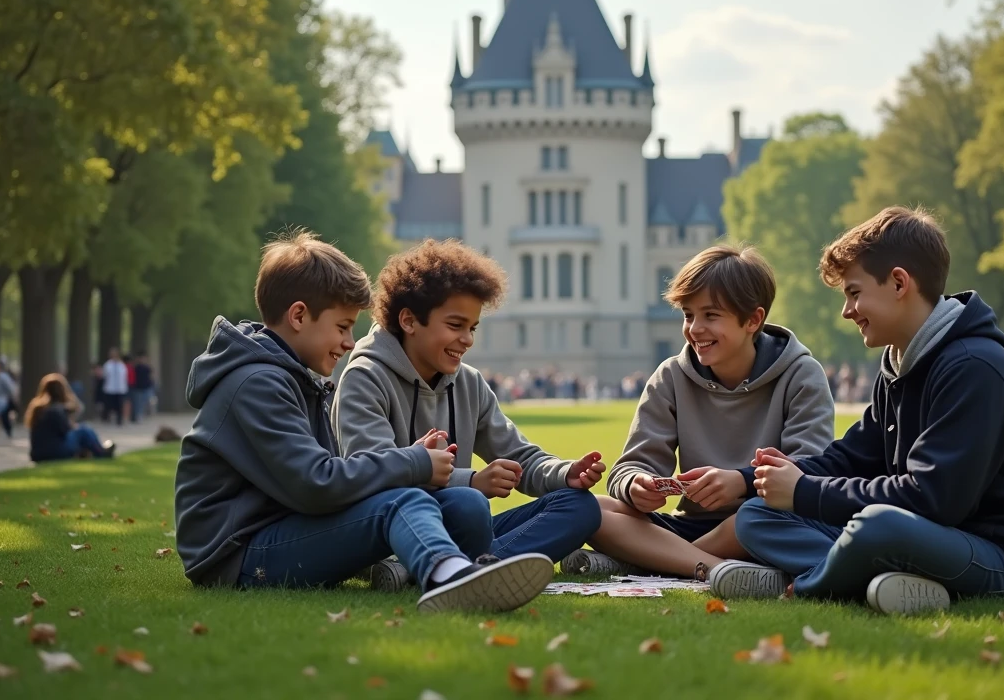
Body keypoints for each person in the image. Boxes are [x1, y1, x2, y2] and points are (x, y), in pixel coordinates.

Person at [712, 207, 1004, 614]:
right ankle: (885, 583)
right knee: (757, 516)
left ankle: (800, 585)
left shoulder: (974, 366)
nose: (847, 311)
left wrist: (804, 492)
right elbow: (852, 458)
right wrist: (756, 480)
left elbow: (932, 498)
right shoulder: (900, 364)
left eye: (854, 293)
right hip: (934, 537)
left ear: (899, 283)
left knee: (878, 526)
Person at [173, 230, 554, 613]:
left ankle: (458, 569)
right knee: (401, 501)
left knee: (465, 505)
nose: (350, 342)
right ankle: (452, 576)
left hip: (284, 530)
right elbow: (317, 482)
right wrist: (413, 462)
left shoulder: (293, 378)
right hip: (236, 555)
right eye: (342, 327)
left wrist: (413, 464)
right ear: (299, 316)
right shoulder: (257, 383)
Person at [332, 239, 604, 592]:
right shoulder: (365, 377)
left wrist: (566, 472)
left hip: (464, 527)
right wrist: (470, 481)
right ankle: (451, 568)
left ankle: (468, 572)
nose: (467, 340)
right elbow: (370, 475)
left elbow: (520, 456)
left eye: (472, 328)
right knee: (469, 504)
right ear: (409, 320)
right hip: (395, 530)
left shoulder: (469, 382)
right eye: (456, 325)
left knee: (581, 507)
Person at [564, 244, 834, 584]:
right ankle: (712, 567)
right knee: (584, 508)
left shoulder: (801, 374)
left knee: (752, 517)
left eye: (711, 315)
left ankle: (658, 561)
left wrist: (741, 484)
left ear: (753, 319)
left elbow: (809, 472)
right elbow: (629, 468)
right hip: (689, 525)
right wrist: (636, 485)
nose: (694, 328)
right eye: (688, 314)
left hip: (763, 521)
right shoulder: (671, 376)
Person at [27, 373, 114, 462]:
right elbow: (67, 429)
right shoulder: (57, 410)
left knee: (81, 431)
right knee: (84, 430)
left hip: (37, 453)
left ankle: (87, 452)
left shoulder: (37, 407)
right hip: (55, 452)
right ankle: (101, 452)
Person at [101, 348, 129, 425]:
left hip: (120, 389)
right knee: (109, 404)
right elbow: (105, 375)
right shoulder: (107, 365)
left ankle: (119, 420)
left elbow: (124, 376)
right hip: (110, 388)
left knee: (119, 405)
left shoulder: (121, 365)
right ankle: (107, 418)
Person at [0, 358, 18, 438]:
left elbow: (11, 390)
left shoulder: (3, 377)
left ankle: (8, 430)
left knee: (2, 411)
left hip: (2, 399)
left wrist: (12, 398)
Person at [131, 352, 155, 422]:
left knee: (146, 401)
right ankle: (138, 415)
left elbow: (151, 376)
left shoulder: (147, 367)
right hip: (137, 387)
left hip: (146, 387)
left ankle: (144, 414)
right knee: (138, 403)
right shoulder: (136, 368)